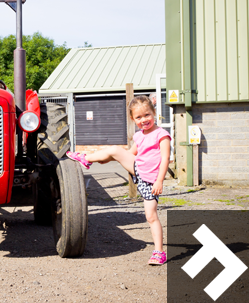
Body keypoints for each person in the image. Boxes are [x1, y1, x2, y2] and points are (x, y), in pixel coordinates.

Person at [67, 95, 171, 265]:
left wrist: (160, 181)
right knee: (115, 150)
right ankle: (85, 158)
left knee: (151, 217)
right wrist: (108, 158)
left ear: (154, 113)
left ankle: (159, 252)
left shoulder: (162, 135)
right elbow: (129, 155)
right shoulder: (139, 136)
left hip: (151, 180)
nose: (143, 120)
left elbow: (165, 158)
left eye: (147, 115)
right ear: (132, 119)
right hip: (138, 169)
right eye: (138, 117)